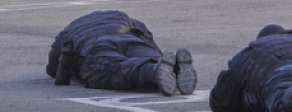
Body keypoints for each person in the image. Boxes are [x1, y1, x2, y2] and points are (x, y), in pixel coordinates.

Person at [46, 10, 196, 96]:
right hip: (127, 35)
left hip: (95, 45)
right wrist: (158, 56)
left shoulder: (69, 31)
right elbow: (148, 38)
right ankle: (171, 67)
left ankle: (153, 71)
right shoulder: (121, 16)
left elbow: (53, 68)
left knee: (115, 69)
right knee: (149, 56)